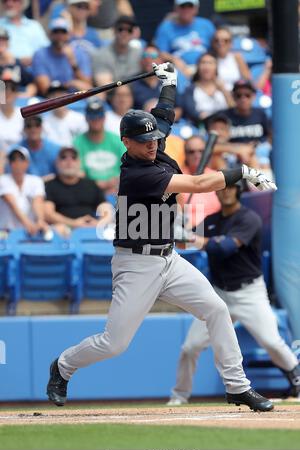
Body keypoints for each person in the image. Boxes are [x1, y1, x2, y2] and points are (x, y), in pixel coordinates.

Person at [46, 61, 276, 412]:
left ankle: (237, 386)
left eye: (154, 138)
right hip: (135, 263)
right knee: (115, 343)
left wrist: (169, 81)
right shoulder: (136, 174)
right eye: (143, 140)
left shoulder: (153, 142)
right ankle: (63, 366)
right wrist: (241, 171)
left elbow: (163, 113)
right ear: (126, 142)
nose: (152, 144)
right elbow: (199, 184)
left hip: (168, 258)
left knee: (216, 309)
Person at [167, 182, 300, 405]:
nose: (226, 191)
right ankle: (179, 396)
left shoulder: (249, 218)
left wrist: (190, 237)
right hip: (218, 294)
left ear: (238, 191)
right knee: (190, 347)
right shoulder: (210, 221)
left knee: (272, 342)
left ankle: (297, 381)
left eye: (230, 187)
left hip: (249, 293)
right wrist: (178, 228)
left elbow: (225, 247)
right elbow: (182, 244)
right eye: (221, 188)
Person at [45, 146, 113, 237]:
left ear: (79, 162)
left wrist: (99, 223)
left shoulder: (91, 184)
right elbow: (48, 213)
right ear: (57, 163)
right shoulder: (50, 185)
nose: (69, 161)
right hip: (65, 229)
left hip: (92, 228)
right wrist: (74, 223)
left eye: (73, 157)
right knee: (56, 231)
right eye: (63, 157)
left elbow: (105, 207)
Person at [73, 98, 125, 195]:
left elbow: (127, 167)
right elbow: (78, 173)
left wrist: (115, 183)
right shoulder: (78, 142)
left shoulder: (116, 140)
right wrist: (97, 185)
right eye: (92, 117)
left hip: (116, 188)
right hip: (89, 191)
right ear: (86, 118)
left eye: (99, 116)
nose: (96, 120)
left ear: (104, 117)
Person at [32, 17, 92, 96]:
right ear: (50, 34)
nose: (59, 36)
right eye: (56, 32)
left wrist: (73, 63)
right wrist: (71, 84)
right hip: (52, 100)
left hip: (77, 98)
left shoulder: (80, 53)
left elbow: (88, 86)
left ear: (69, 34)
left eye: (63, 32)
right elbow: (45, 88)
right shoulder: (40, 54)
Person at [154, 0, 215, 77]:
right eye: (183, 7)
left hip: (205, 67)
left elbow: (217, 46)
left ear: (196, 9)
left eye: (190, 6)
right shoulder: (166, 27)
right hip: (179, 70)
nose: (186, 10)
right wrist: (174, 59)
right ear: (176, 8)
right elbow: (160, 53)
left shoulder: (206, 25)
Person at [0, 145, 49, 235]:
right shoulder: (3, 180)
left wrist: (40, 221)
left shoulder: (36, 181)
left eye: (21, 159)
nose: (17, 163)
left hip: (29, 232)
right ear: (10, 163)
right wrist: (28, 224)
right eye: (13, 159)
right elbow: (12, 204)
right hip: (6, 232)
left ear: (27, 163)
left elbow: (38, 201)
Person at [181, 53, 234, 126]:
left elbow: (233, 108)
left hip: (224, 124)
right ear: (198, 66)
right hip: (200, 125)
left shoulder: (225, 87)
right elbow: (191, 111)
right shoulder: (190, 89)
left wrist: (223, 90)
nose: (207, 67)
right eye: (203, 63)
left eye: (210, 63)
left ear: (216, 67)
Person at [91, 15, 142, 85]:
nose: (124, 33)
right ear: (114, 30)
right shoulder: (101, 54)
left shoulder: (139, 53)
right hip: (112, 94)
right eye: (120, 29)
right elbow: (104, 85)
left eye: (129, 30)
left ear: (133, 33)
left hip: (136, 94)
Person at [20, 115, 61, 180]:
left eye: (37, 125)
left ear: (42, 128)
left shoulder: (56, 149)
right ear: (24, 129)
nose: (33, 129)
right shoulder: (17, 150)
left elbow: (62, 174)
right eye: (29, 126)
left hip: (51, 186)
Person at [211, 26, 251, 92]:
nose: (221, 43)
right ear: (213, 43)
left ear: (231, 43)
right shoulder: (209, 59)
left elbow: (248, 80)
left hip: (235, 96)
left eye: (225, 41)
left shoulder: (237, 57)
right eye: (217, 40)